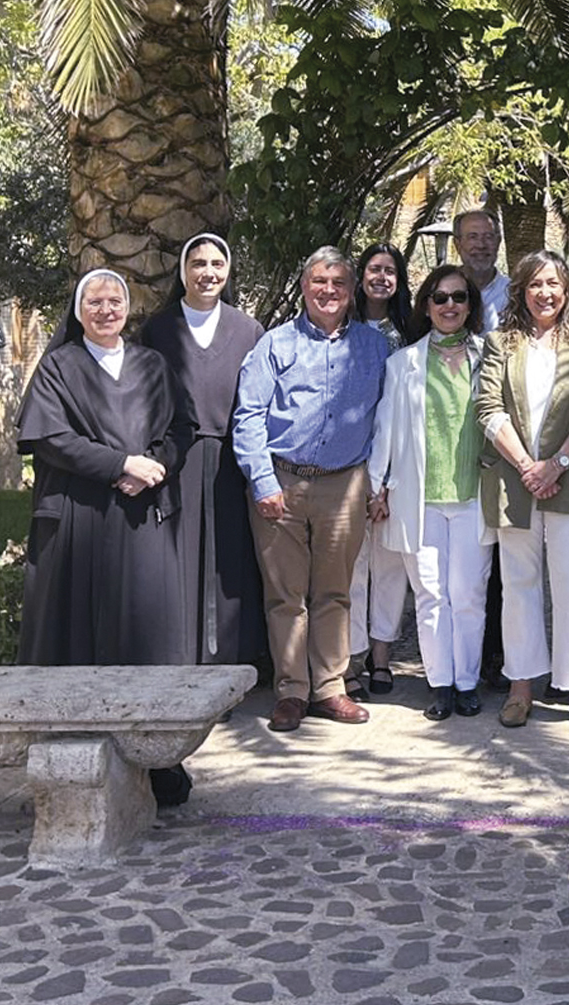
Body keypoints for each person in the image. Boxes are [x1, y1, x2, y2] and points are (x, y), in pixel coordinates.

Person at [18, 269, 197, 805]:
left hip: (141, 519)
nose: (104, 309)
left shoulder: (151, 365)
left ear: (127, 308)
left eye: (114, 300)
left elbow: (180, 429)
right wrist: (119, 463)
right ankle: (70, 763)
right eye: (94, 301)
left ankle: (157, 763)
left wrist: (154, 466)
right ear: (78, 311)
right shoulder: (59, 367)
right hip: (79, 519)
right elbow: (49, 437)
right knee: (78, 637)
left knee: (145, 641)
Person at [233, 246, 390, 732]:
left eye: (339, 283)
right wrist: (261, 480)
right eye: (320, 281)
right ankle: (291, 692)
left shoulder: (375, 347)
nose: (329, 291)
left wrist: (381, 483)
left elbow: (390, 419)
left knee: (334, 592)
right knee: (285, 596)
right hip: (280, 482)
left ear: (351, 291)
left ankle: (330, 688)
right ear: (305, 287)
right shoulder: (274, 345)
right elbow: (248, 416)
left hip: (345, 484)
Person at [476, 250, 569, 728]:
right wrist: (527, 467)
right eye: (535, 284)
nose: (546, 293)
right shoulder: (500, 343)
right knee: (518, 587)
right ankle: (521, 687)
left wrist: (555, 465)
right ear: (521, 290)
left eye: (553, 283)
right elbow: (488, 407)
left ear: (566, 289)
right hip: (514, 484)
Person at [367, 264, 494, 720]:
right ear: (426, 305)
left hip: (473, 496)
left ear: (470, 306)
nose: (449, 306)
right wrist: (376, 485)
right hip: (417, 499)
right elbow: (385, 430)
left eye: (459, 297)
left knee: (468, 595)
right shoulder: (404, 364)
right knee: (430, 595)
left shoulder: (489, 358)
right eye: (440, 298)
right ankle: (439, 684)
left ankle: (467, 682)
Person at [139, 234, 267, 671]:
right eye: (198, 264)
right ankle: (180, 663)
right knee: (179, 561)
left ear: (227, 272)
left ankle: (229, 668)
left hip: (233, 461)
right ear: (183, 271)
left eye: (216, 264)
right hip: (178, 460)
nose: (207, 273)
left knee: (231, 563)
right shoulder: (158, 329)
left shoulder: (248, 330)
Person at [347, 242, 415, 697]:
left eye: (390, 271)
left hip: (399, 466)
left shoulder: (411, 331)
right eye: (374, 269)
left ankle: (381, 656)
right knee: (352, 568)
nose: (381, 278)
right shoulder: (341, 327)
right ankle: (349, 659)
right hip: (349, 464)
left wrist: (389, 479)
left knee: (390, 567)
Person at [455, 209, 510, 688]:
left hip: (508, 440)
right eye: (471, 237)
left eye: (488, 237)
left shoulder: (515, 293)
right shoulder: (446, 292)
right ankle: (466, 656)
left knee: (500, 558)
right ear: (457, 243)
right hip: (456, 441)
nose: (480, 244)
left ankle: (500, 654)